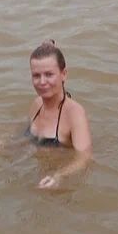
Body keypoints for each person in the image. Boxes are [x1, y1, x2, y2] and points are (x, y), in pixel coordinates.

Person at [25, 40, 92, 189]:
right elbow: (24, 129)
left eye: (49, 74)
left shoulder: (75, 114)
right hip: (36, 172)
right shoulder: (36, 104)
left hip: (58, 180)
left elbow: (84, 158)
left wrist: (59, 176)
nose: (42, 82)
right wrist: (3, 140)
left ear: (64, 74)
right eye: (36, 75)